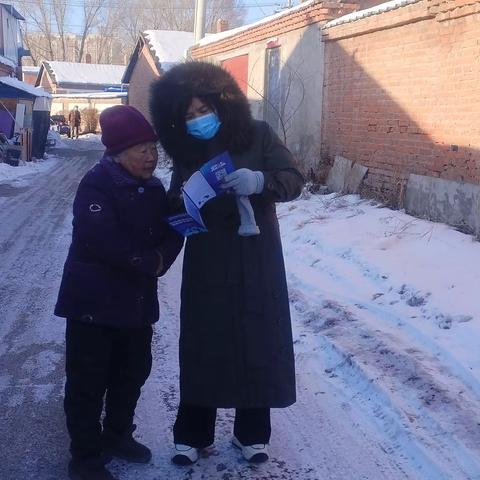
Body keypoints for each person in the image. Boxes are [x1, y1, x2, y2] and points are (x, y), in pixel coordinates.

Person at [149, 61, 305, 465]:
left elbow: (292, 178)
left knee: (255, 338)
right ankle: (192, 434)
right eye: (190, 115)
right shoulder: (187, 150)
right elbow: (172, 201)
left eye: (204, 110)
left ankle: (251, 434)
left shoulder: (259, 135)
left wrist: (260, 182)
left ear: (222, 103)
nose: (199, 119)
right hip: (208, 258)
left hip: (256, 255)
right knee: (205, 339)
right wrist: (182, 200)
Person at [55, 105, 184, 480]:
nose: (150, 156)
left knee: (132, 373)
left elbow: (169, 232)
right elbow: (101, 240)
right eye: (140, 149)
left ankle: (117, 435)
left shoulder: (154, 187)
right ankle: (85, 456)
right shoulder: (96, 184)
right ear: (117, 153)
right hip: (92, 305)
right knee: (88, 382)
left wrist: (169, 243)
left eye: (153, 148)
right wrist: (150, 262)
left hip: (135, 304)